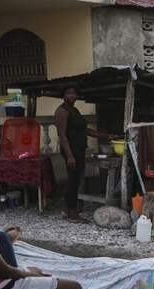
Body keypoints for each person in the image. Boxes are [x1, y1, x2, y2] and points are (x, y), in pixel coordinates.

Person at [55, 86, 115, 223]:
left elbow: (85, 130)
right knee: (73, 181)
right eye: (69, 93)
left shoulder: (74, 110)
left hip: (79, 149)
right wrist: (70, 156)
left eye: (74, 93)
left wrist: (105, 135)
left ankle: (68, 209)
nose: (72, 95)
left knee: (75, 180)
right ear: (63, 95)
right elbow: (62, 135)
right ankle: (72, 214)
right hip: (70, 150)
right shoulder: (62, 111)